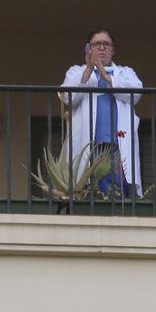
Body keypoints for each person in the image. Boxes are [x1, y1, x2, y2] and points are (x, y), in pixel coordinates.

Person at [60, 28, 143, 197]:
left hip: (118, 145)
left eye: (106, 44)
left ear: (113, 50)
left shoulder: (126, 73)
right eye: (97, 44)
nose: (102, 48)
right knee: (87, 188)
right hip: (89, 145)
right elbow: (68, 98)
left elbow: (136, 94)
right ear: (88, 49)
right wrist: (88, 71)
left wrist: (106, 76)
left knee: (119, 190)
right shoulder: (76, 72)